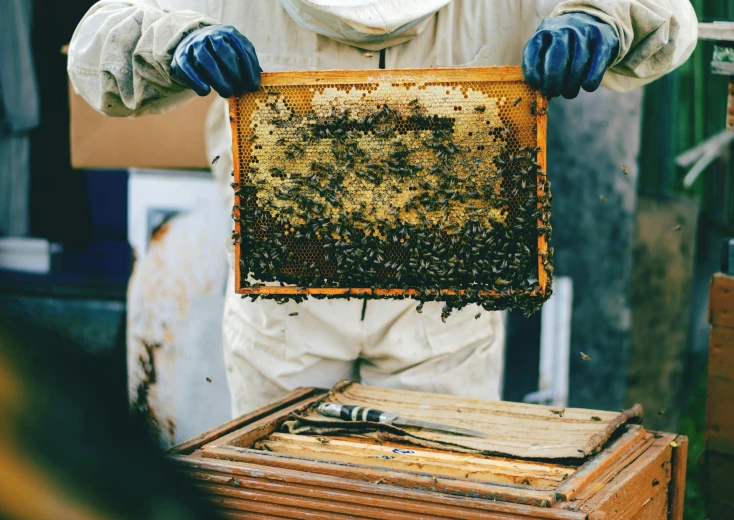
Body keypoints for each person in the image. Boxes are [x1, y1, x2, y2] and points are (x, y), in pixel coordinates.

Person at [69, 0, 698, 418]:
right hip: (286, 294)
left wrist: (599, 18)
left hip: (451, 297)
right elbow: (97, 41)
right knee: (294, 496)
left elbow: (666, 15)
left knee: (426, 494)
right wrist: (175, 38)